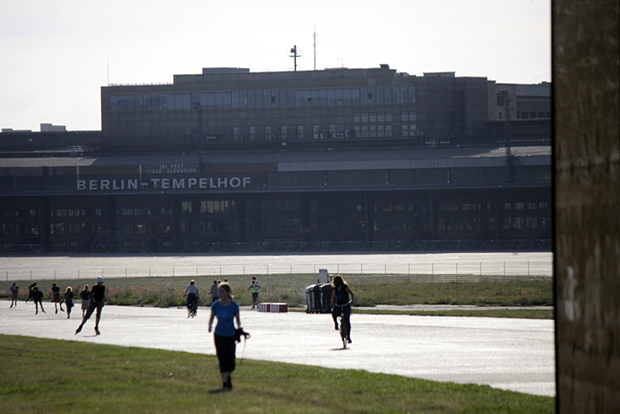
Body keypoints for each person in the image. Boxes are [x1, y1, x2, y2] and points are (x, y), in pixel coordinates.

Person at [208, 282, 241, 391]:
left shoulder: (234, 305)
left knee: (231, 361)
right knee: (222, 359)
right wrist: (209, 326)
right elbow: (212, 318)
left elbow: (238, 320)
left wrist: (239, 329)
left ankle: (228, 376)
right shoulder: (216, 305)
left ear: (228, 293)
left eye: (222, 291)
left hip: (230, 335)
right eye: (219, 291)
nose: (219, 293)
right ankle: (225, 383)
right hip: (219, 335)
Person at [330, 275, 355, 344]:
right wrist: (332, 303)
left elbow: (351, 293)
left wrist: (353, 301)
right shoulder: (335, 289)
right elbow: (333, 296)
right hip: (338, 305)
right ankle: (336, 324)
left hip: (346, 304)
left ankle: (348, 336)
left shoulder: (344, 287)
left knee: (347, 320)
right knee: (334, 312)